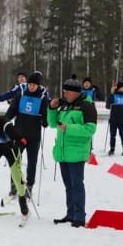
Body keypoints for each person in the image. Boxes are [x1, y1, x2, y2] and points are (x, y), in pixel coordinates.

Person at [48, 78, 97, 228]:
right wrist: (51, 108)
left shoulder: (87, 106)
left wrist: (68, 128)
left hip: (76, 152)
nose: (65, 94)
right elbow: (52, 124)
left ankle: (80, 217)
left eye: (67, 92)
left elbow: (90, 130)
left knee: (77, 185)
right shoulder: (64, 105)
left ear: (75, 93)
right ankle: (70, 214)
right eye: (64, 92)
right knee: (68, 185)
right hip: (63, 152)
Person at [4, 72, 49, 198]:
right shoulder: (21, 94)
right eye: (30, 84)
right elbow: (12, 110)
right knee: (15, 160)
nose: (31, 87)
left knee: (32, 162)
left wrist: (45, 121)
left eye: (34, 85)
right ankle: (14, 186)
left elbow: (46, 114)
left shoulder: (42, 98)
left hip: (34, 136)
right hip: (19, 134)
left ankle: (29, 186)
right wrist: (6, 120)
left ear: (38, 85)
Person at [106, 81, 123, 156]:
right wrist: (110, 103)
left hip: (122, 119)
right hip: (113, 119)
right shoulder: (112, 95)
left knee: (122, 135)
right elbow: (107, 106)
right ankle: (112, 150)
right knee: (112, 135)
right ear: (118, 88)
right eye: (122, 87)